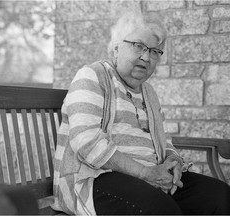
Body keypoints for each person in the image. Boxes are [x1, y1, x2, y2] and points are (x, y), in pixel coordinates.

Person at [51, 10, 230, 215]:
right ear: (116, 47)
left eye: (154, 51)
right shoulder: (92, 76)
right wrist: (146, 173)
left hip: (150, 180)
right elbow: (86, 142)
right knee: (160, 209)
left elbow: (165, 142)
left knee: (220, 197)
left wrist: (174, 163)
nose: (146, 57)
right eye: (139, 46)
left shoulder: (149, 93)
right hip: (95, 178)